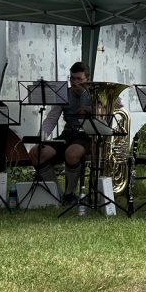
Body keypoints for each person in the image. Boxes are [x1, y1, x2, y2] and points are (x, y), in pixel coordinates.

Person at [27, 61, 92, 205]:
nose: (75, 82)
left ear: (87, 79)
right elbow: (51, 119)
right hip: (68, 134)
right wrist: (42, 136)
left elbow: (118, 103)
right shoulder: (63, 94)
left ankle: (69, 194)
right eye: (72, 78)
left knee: (72, 153)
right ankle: (56, 193)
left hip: (88, 135)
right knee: (35, 153)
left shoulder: (95, 93)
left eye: (79, 79)